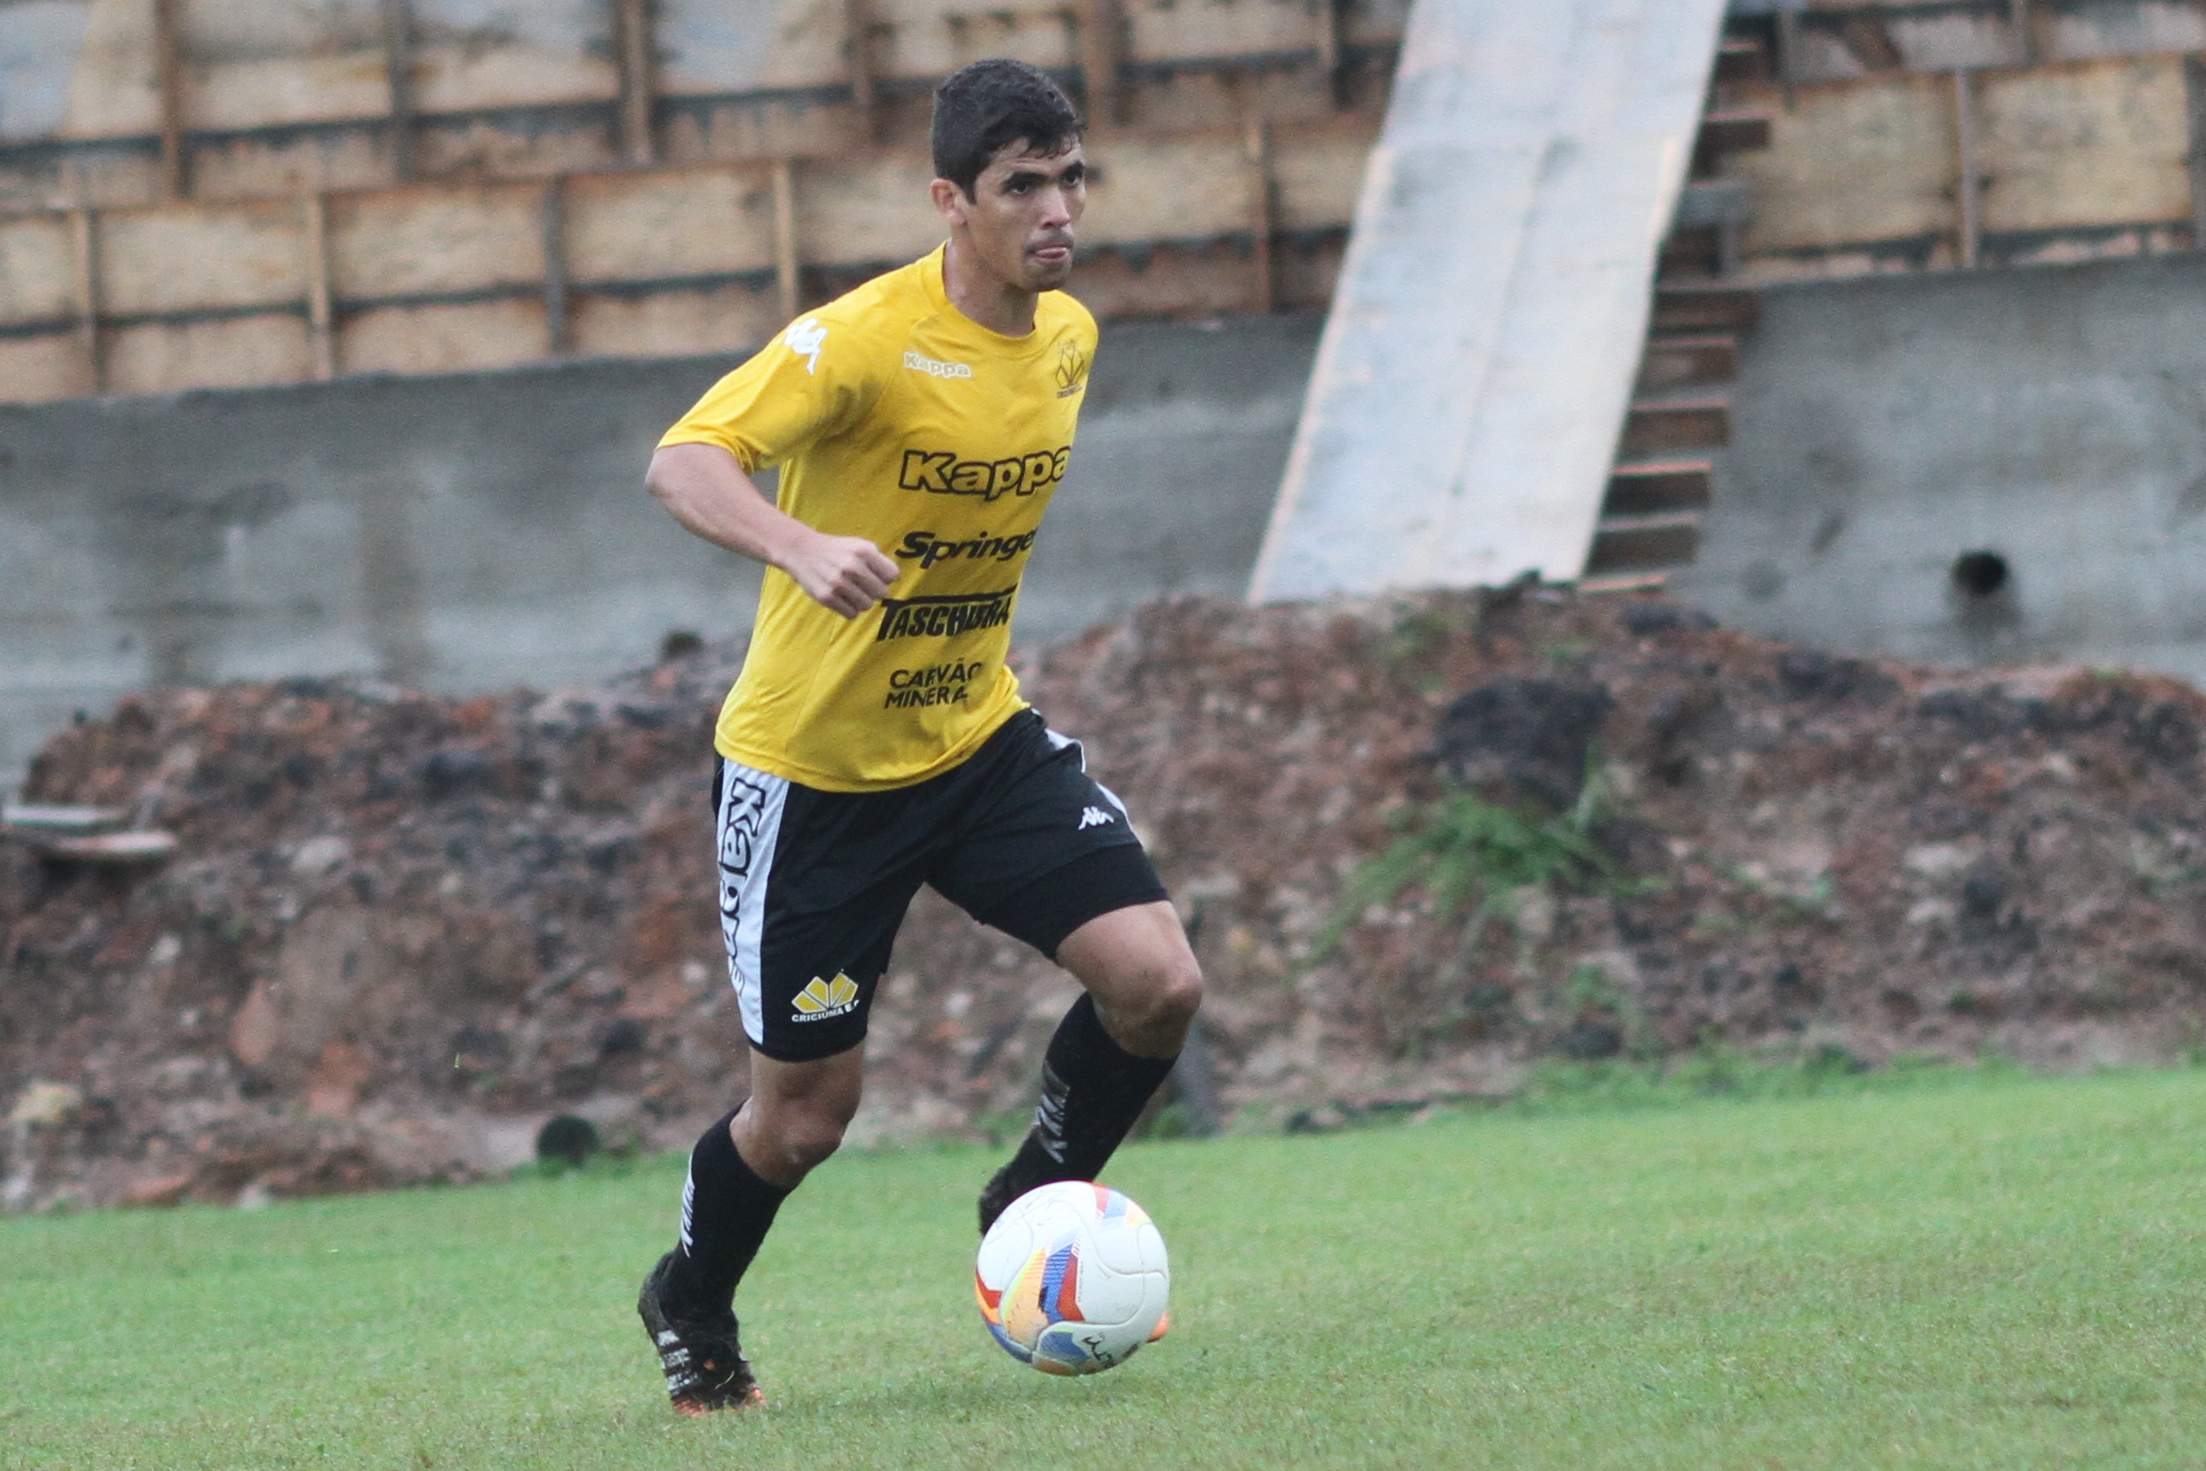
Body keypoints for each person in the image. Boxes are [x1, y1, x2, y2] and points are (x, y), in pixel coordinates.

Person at [633, 57, 1203, 1416]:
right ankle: (690, 1299)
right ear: (951, 202)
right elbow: (682, 461)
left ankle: (1031, 1202)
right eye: (1021, 186)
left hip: (976, 740)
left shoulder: (1068, 338)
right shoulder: (859, 342)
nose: (1056, 209)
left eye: (1071, 178)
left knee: (1158, 983)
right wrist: (797, 542)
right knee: (804, 1121)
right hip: (813, 777)